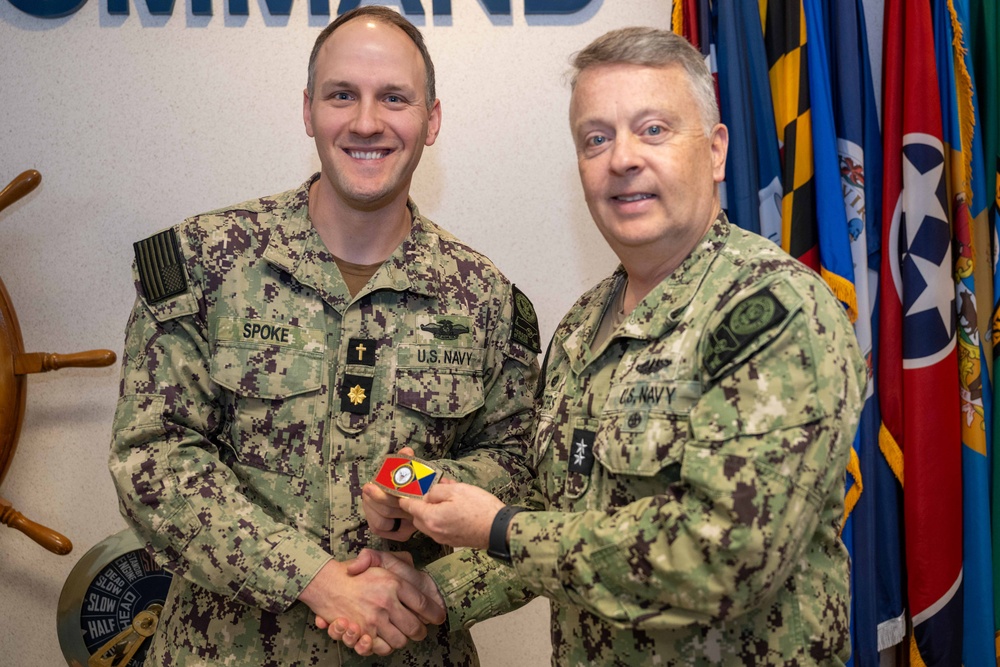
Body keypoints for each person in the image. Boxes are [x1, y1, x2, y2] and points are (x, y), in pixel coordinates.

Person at [335, 26, 866, 665]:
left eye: (654, 130)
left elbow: (727, 556)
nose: (622, 158)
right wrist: (427, 557)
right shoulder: (584, 327)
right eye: (597, 138)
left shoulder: (776, 311)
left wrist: (498, 528)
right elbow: (554, 515)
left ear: (717, 151)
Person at [108, 6, 540, 666]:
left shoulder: (483, 297)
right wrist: (313, 578)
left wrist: (413, 488)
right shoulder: (206, 263)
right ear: (309, 110)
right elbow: (152, 457)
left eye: (394, 97)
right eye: (343, 95)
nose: (366, 121)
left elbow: (520, 472)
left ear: (432, 120)